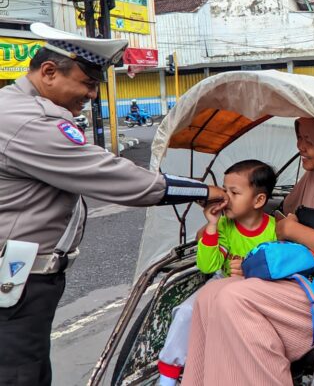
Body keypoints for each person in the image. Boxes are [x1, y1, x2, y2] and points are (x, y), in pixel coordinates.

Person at [0, 23, 226, 385]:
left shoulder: (18, 108)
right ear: (49, 72)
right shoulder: (28, 121)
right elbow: (116, 178)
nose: (91, 95)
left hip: (27, 276)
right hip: (16, 279)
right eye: (88, 84)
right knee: (19, 374)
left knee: (32, 368)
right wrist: (205, 192)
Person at [182, 118, 314, 385]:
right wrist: (222, 221)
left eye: (309, 140)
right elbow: (278, 216)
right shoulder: (311, 178)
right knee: (209, 295)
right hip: (291, 280)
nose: (300, 146)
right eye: (299, 137)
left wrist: (293, 232)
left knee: (233, 297)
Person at [156, 160, 278, 386]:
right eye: (224, 190)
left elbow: (279, 267)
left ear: (258, 200)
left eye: (234, 192)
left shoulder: (275, 230)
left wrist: (251, 268)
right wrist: (212, 225)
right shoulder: (223, 227)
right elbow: (208, 266)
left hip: (258, 293)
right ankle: (167, 378)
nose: (225, 197)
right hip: (220, 283)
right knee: (184, 313)